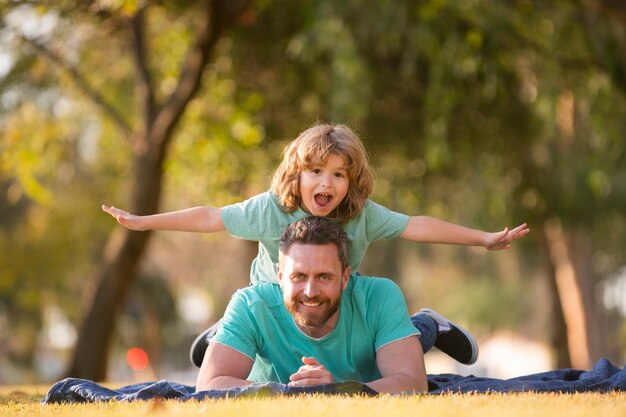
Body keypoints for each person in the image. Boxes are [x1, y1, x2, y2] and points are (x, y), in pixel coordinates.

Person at [103, 123, 529, 366]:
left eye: (339, 175)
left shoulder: (361, 215)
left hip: (337, 304)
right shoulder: (269, 209)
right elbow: (210, 217)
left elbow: (417, 226)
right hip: (275, 307)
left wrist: (484, 239)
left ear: (351, 183)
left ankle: (425, 327)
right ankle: (228, 332)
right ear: (297, 175)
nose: (327, 182)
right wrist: (144, 222)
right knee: (269, 353)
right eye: (317, 172)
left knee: (363, 359)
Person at [196, 216, 427, 393]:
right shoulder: (250, 304)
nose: (310, 292)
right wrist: (287, 393)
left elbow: (414, 383)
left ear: (346, 277)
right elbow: (209, 385)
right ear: (279, 276)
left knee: (421, 334)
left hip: (380, 334)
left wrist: (336, 390)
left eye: (324, 277)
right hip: (254, 319)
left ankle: (429, 325)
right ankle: (223, 332)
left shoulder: (380, 296)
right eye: (298, 276)